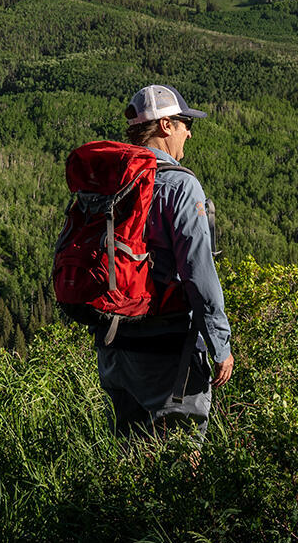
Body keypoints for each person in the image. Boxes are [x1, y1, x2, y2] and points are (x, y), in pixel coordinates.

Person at [95, 83, 234, 441]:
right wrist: (220, 345)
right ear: (164, 126)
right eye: (185, 122)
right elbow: (198, 273)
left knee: (130, 462)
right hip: (168, 353)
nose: (189, 131)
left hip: (115, 349)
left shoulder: (110, 180)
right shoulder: (179, 186)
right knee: (178, 465)